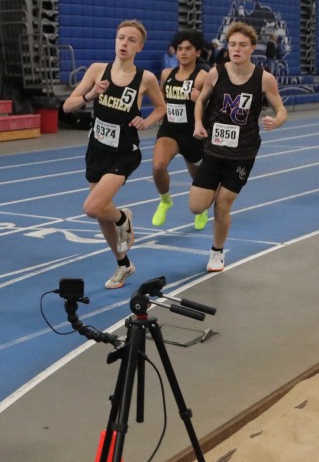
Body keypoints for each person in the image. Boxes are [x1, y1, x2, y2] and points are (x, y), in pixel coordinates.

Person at [62, 20, 166, 289]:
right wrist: (90, 94)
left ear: (140, 47)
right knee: (100, 214)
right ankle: (124, 265)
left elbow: (161, 108)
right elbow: (67, 106)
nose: (124, 43)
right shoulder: (98, 70)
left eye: (132, 40)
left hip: (124, 153)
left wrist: (146, 121)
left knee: (92, 207)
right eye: (121, 37)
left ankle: (122, 218)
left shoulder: (145, 78)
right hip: (97, 150)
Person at [189, 21, 287, 272]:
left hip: (243, 153)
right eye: (232, 44)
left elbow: (281, 110)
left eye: (242, 45)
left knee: (222, 205)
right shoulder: (216, 73)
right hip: (214, 149)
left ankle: (217, 252)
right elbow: (200, 100)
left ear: (253, 48)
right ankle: (208, 196)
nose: (236, 49)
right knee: (196, 206)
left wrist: (276, 121)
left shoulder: (264, 79)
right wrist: (198, 123)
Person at [151, 30, 209, 231]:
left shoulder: (202, 77)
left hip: (193, 133)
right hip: (170, 130)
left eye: (188, 49)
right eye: (180, 49)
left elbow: (214, 107)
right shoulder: (166, 74)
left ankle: (201, 209)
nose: (183, 52)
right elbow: (161, 101)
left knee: (198, 177)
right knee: (158, 165)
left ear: (197, 52)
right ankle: (165, 201)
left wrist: (200, 100)